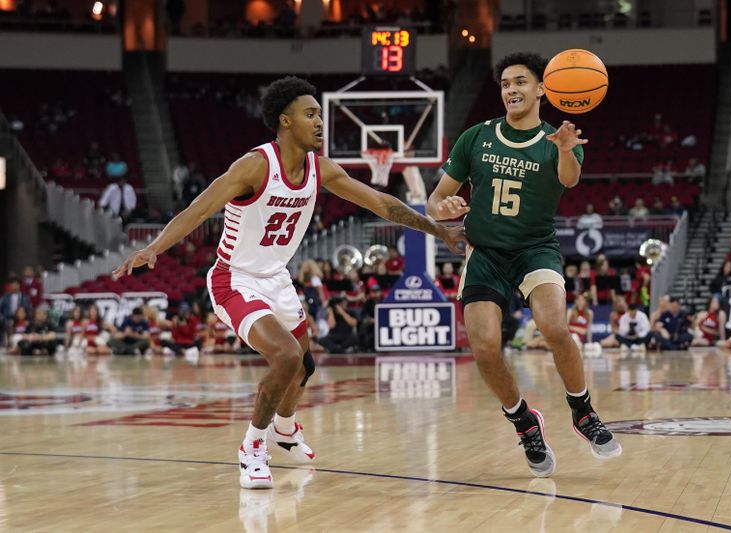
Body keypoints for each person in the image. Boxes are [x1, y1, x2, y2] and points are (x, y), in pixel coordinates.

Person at [112, 76, 466, 490]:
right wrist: (155, 247)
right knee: (284, 357)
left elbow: (381, 203)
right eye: (310, 114)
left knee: (303, 366)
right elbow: (199, 207)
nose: (320, 122)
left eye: (321, 115)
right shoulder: (255, 166)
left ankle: (285, 429)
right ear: (285, 121)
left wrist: (437, 231)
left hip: (276, 278)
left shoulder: (321, 168)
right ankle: (252, 448)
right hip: (234, 278)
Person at [426, 52, 621, 478]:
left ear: (542, 90)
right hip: (485, 252)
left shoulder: (556, 140)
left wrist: (568, 149)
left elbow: (569, 180)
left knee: (554, 327)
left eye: (519, 82)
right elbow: (435, 200)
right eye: (505, 84)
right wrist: (446, 209)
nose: (510, 90)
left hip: (535, 249)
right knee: (484, 347)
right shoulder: (476, 137)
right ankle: (524, 423)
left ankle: (582, 411)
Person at [0, 280, 33, 347]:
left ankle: (22, 343)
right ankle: (7, 343)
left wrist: (25, 318)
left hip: (21, 317)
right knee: (8, 323)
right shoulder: (4, 297)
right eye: (13, 285)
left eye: (16, 285)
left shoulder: (24, 297)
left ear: (19, 286)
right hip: (7, 318)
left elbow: (28, 309)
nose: (15, 286)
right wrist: (4, 319)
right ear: (10, 286)